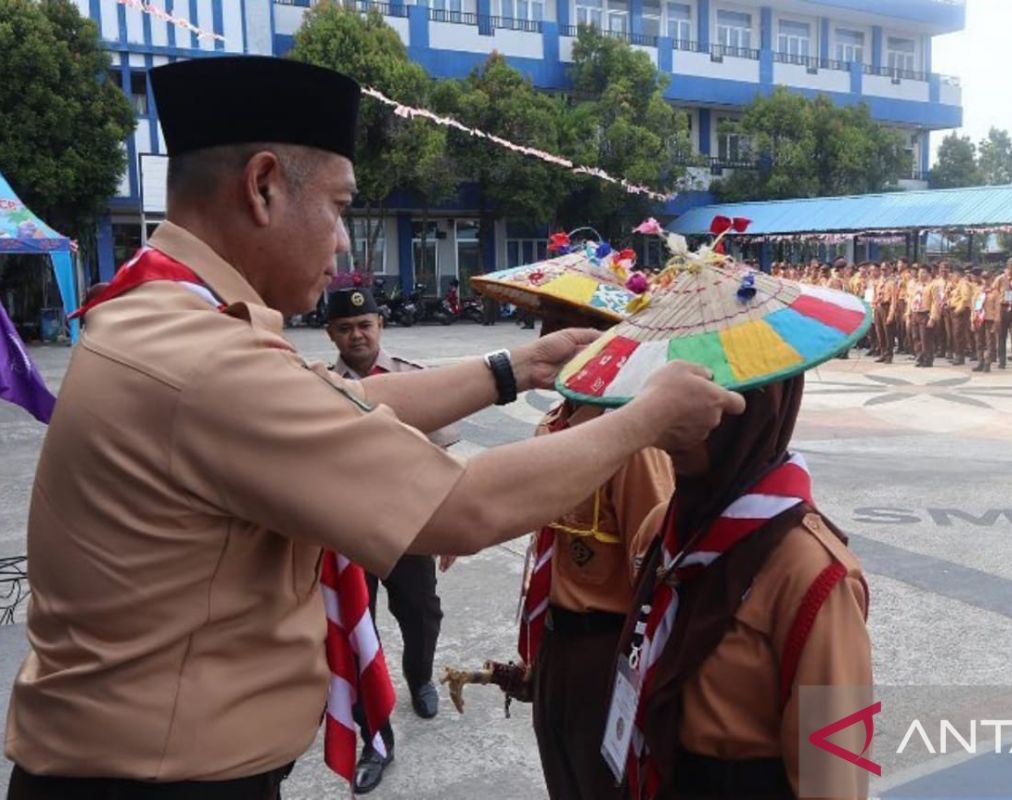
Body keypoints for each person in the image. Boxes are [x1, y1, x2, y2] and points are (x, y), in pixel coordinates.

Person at [6, 57, 743, 800]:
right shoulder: (202, 361)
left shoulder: (161, 313)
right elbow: (463, 509)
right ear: (263, 187)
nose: (343, 245)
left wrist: (521, 366)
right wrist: (648, 417)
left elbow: (341, 403)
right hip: (153, 782)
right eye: (337, 207)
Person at [554, 257, 872, 800]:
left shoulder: (813, 575)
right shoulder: (664, 529)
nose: (664, 416)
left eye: (696, 395)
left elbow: (833, 779)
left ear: (752, 407)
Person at [523, 311, 675, 800]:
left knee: (602, 786)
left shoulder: (629, 445)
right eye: (548, 328)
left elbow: (654, 566)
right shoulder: (554, 426)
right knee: (563, 778)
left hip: (603, 652)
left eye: (569, 331)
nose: (553, 344)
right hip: (554, 642)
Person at [324, 287, 455, 793]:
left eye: (365, 324)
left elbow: (443, 458)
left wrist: (450, 527)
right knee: (358, 635)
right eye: (345, 327)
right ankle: (375, 737)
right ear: (331, 334)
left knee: (421, 614)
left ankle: (419, 677)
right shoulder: (316, 385)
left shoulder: (414, 381)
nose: (357, 334)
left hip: (409, 529)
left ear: (380, 325)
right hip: (345, 534)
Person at [990, 258, 1012, 370]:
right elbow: (994, 292)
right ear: (1010, 267)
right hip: (1003, 308)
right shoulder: (1000, 279)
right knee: (1001, 336)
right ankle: (1002, 361)